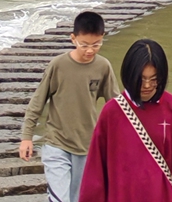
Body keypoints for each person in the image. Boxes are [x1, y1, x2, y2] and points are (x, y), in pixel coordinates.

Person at [79, 39, 172, 202]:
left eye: (154, 79)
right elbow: (96, 172)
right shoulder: (112, 113)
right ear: (129, 75)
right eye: (141, 79)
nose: (147, 85)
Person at [19, 11, 118, 202]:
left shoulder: (103, 67)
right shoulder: (58, 65)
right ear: (73, 39)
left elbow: (116, 106)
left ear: (102, 37)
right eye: (84, 45)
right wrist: (26, 138)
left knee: (78, 198)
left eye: (96, 44)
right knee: (60, 199)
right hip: (56, 143)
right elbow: (37, 103)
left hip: (87, 147)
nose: (90, 50)